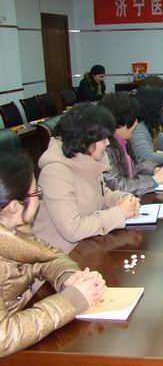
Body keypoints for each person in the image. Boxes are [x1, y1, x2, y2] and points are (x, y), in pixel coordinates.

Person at [0, 152, 106, 357]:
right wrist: (72, 300)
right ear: (14, 206)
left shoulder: (16, 230)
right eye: (36, 193)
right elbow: (4, 337)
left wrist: (68, 278)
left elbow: (49, 257)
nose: (39, 199)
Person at [32, 104, 140, 253]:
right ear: (85, 140)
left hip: (89, 246)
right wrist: (119, 213)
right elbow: (72, 229)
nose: (108, 143)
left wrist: (123, 198)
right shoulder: (55, 172)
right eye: (103, 139)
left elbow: (102, 196)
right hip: (62, 257)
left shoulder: (87, 159)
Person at [99, 93, 163, 195]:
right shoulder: (104, 148)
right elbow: (115, 185)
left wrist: (156, 169)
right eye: (134, 118)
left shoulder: (126, 139)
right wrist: (153, 180)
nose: (136, 123)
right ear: (122, 122)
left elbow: (138, 164)